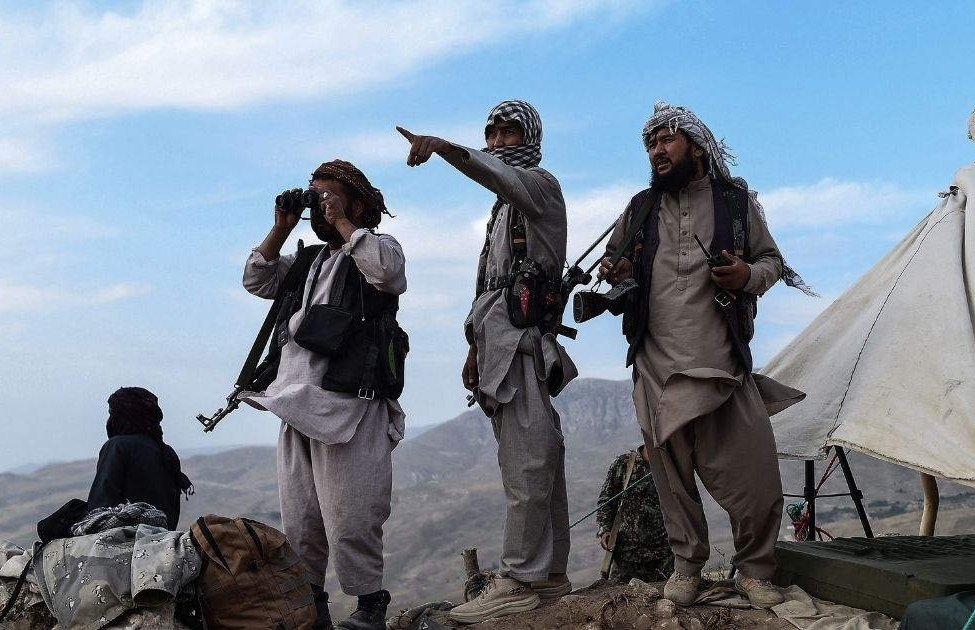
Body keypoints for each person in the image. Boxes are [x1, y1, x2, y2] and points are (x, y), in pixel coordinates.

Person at [598, 102, 811, 609]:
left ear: (694, 145)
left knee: (757, 477)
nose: (657, 151)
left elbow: (772, 261)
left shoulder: (735, 203)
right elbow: (618, 263)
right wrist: (618, 269)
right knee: (671, 482)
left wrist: (746, 276)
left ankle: (755, 571)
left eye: (666, 141)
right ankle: (687, 567)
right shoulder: (639, 207)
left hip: (721, 362)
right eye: (651, 144)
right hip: (654, 363)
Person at [398, 100, 576, 624]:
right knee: (533, 457)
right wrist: (475, 346)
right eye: (491, 132)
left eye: (508, 131)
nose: (498, 141)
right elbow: (492, 287)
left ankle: (521, 577)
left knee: (529, 459)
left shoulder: (539, 186)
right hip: (498, 347)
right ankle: (549, 578)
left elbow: (495, 173)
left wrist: (448, 149)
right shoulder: (503, 212)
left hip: (522, 347)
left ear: (531, 136)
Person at [240, 160, 406, 630]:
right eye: (315, 197)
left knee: (352, 512)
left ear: (356, 202)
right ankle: (312, 606)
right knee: (302, 517)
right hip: (294, 403)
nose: (320, 206)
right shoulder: (310, 260)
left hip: (350, 402)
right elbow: (257, 280)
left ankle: (370, 605)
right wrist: (281, 228)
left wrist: (342, 223)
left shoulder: (376, 247)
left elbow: (389, 274)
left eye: (328, 196)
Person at [87, 386, 193, 530]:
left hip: (127, 542)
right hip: (162, 543)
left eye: (112, 413)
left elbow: (100, 509)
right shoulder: (167, 453)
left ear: (125, 416)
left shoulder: (117, 446)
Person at [596, 445, 673, 583]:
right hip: (625, 557)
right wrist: (605, 530)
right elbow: (606, 501)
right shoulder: (623, 464)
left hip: (663, 557)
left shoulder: (672, 466)